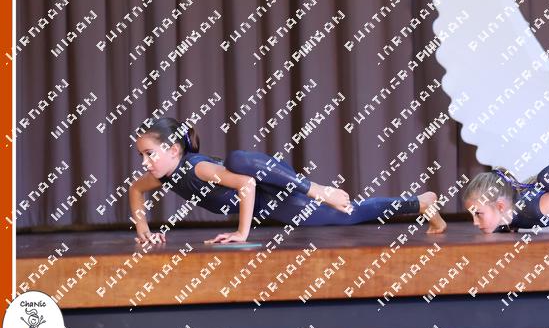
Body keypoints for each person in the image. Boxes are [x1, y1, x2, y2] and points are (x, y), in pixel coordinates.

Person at [129, 117, 445, 246]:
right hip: (270, 201)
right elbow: (135, 189)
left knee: (238, 159)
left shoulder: (197, 169)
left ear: (173, 150)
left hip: (271, 180)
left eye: (149, 154)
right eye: (141, 155)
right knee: (347, 216)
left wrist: (241, 233)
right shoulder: (167, 176)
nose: (145, 162)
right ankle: (421, 203)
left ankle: (320, 190)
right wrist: (144, 230)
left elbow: (246, 184)